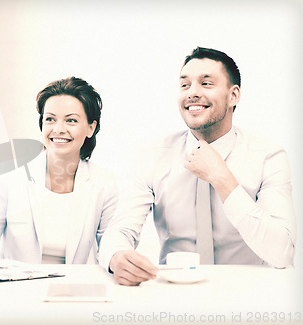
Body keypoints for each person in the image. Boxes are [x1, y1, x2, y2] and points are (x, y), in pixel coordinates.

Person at [99, 47, 296, 285]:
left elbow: (282, 253)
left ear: (233, 95)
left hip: (250, 293)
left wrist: (223, 179)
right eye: (185, 85)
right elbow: (119, 229)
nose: (192, 93)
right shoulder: (153, 156)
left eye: (206, 83)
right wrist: (116, 256)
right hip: (175, 294)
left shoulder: (268, 156)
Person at [0, 77, 118, 264]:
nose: (58, 129)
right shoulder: (9, 177)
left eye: (71, 120)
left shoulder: (105, 184)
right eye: (50, 119)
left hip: (75, 289)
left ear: (91, 128)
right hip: (16, 288)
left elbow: (113, 250)